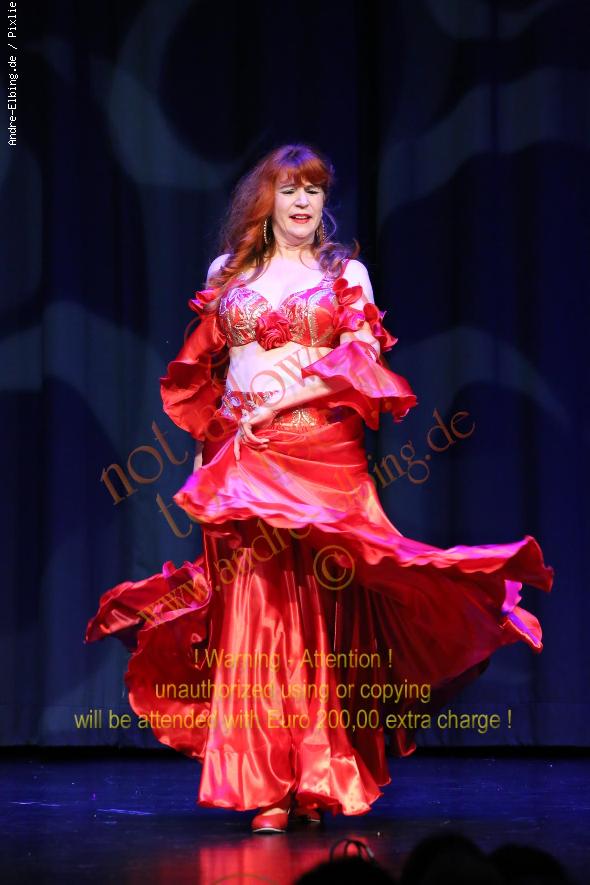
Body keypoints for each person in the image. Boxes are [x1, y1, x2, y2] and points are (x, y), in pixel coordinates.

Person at [86, 143, 555, 834]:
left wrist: (282, 401)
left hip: (320, 454)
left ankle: (315, 775)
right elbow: (210, 364)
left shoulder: (344, 274)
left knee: (319, 612)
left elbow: (359, 359)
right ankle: (269, 782)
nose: (303, 201)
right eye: (290, 189)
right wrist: (222, 435)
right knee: (254, 611)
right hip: (242, 459)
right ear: (266, 201)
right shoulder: (228, 272)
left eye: (313, 190)